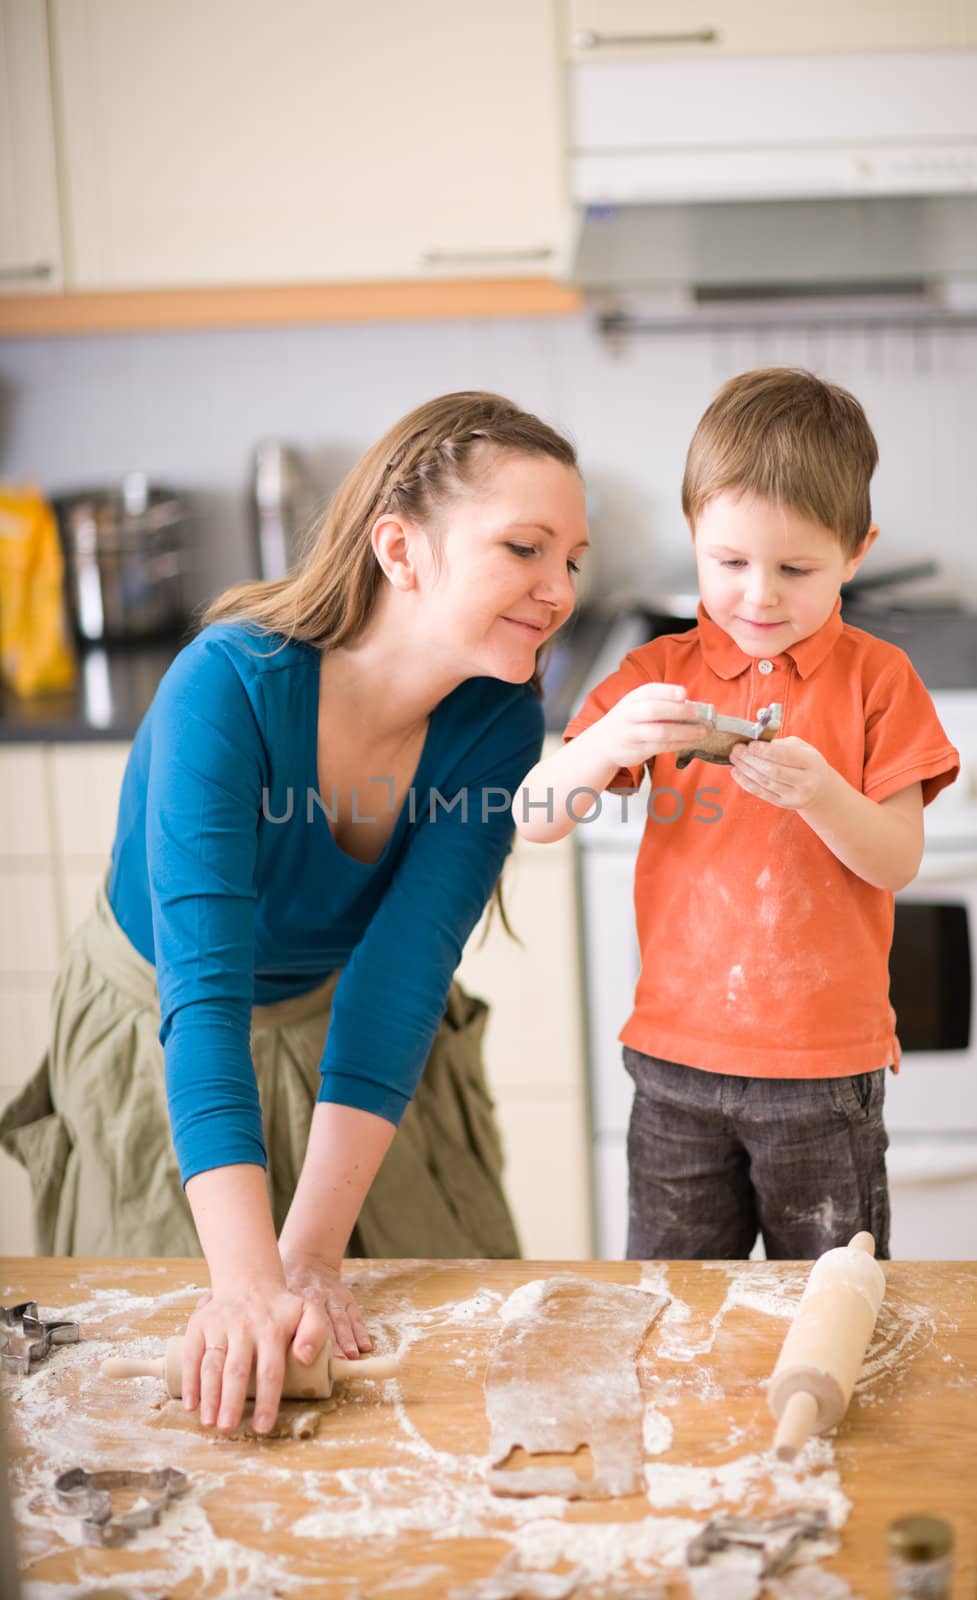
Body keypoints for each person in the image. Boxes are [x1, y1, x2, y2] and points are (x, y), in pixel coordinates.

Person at [1, 391, 589, 1432]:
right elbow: (204, 998)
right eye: (523, 548)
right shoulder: (225, 687)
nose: (557, 590)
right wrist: (244, 1277)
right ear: (400, 550)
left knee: (430, 1391)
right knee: (174, 1400)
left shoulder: (499, 717)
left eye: (572, 560)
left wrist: (310, 1252)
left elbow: (399, 975)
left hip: (359, 1053)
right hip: (167, 1034)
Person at [515, 368, 958, 1262]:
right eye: (728, 563)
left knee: (831, 1304)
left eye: (796, 569)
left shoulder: (880, 682)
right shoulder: (655, 674)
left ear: (856, 552)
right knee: (676, 1314)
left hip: (824, 1076)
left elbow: (895, 861)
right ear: (693, 538)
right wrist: (603, 745)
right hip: (675, 1066)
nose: (758, 596)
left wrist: (821, 794)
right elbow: (535, 815)